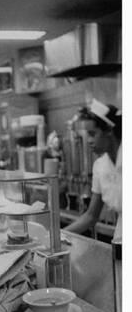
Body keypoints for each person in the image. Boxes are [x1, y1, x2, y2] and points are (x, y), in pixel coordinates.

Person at [65, 98, 122, 240]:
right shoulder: (100, 166)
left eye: (92, 134)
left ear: (108, 130)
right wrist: (57, 236)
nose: (89, 141)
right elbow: (91, 216)